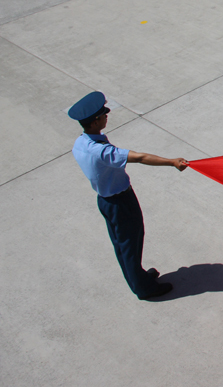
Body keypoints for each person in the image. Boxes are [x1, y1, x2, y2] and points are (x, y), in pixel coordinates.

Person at [69, 91, 188, 300]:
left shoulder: (81, 143)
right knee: (131, 244)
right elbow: (140, 157)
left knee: (122, 245)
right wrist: (172, 162)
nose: (108, 114)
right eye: (104, 113)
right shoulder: (102, 151)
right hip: (120, 202)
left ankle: (137, 277)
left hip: (105, 200)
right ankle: (144, 288)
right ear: (96, 120)